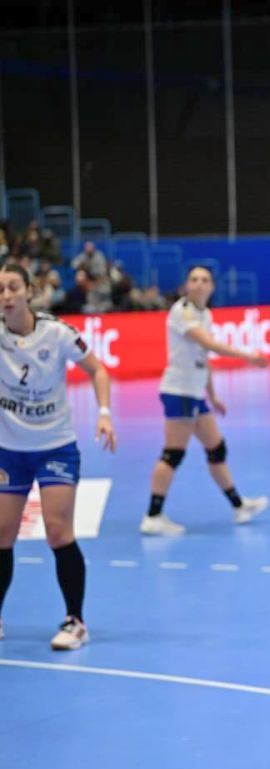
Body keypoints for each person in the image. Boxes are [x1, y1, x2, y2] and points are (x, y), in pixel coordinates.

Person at [0, 263, 116, 649]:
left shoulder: (57, 332)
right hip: (9, 451)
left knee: (57, 530)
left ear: (29, 292)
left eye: (13, 287)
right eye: (0, 290)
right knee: (2, 533)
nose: (6, 296)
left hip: (55, 447)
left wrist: (104, 414)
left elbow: (98, 370)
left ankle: (75, 621)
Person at [139, 265, 270, 535]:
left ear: (212, 287)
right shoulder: (182, 312)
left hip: (195, 394)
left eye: (205, 280)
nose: (199, 284)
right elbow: (208, 344)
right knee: (173, 454)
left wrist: (213, 395)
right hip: (179, 391)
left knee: (216, 449)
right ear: (187, 285)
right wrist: (247, 356)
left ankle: (239, 506)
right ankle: (152, 516)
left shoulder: (205, 314)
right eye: (194, 279)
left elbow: (203, 357)